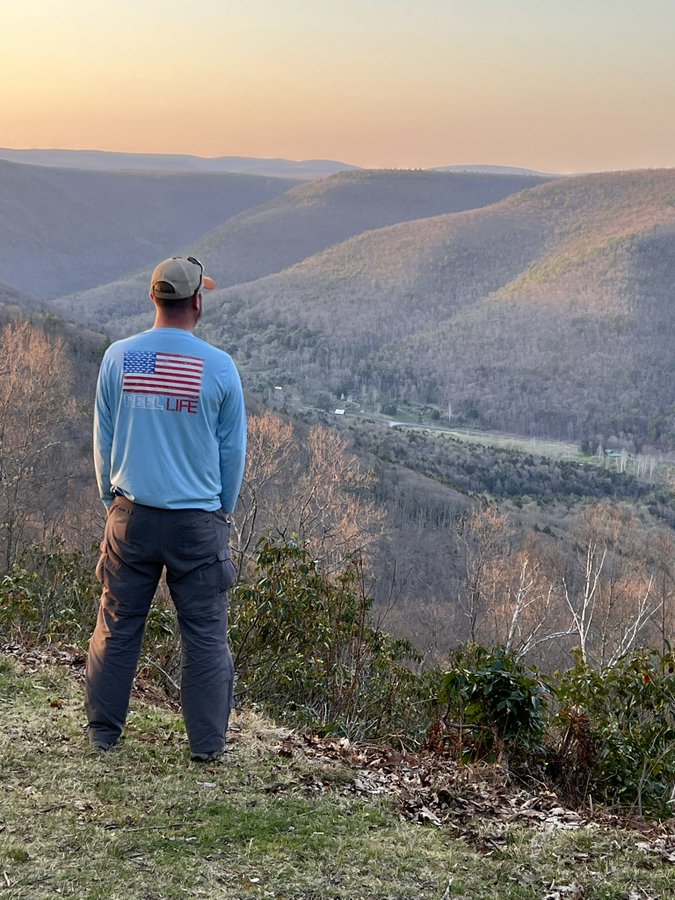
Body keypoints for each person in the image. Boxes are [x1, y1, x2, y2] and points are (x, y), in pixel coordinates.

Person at [85, 256, 247, 762]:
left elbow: (103, 443)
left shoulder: (120, 357)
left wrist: (111, 503)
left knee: (118, 623)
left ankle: (103, 736)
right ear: (197, 301)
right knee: (203, 634)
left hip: (130, 515)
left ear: (153, 298)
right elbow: (232, 453)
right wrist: (221, 510)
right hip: (197, 523)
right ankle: (206, 750)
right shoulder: (219, 367)